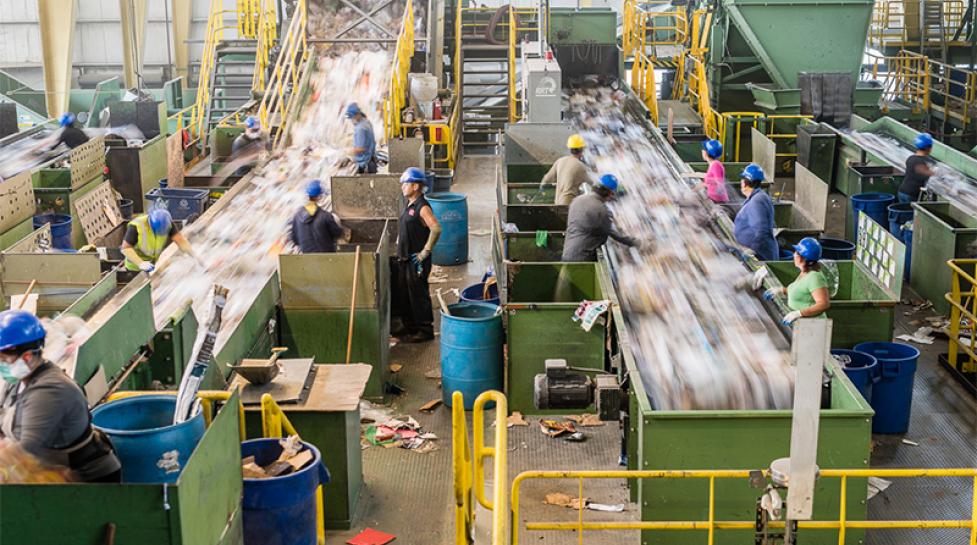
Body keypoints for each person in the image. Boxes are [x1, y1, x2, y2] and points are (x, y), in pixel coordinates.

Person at [0, 310, 121, 482]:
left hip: (83, 483)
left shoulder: (50, 391)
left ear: (26, 357)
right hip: (49, 475)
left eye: (2, 359)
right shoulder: (17, 381)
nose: (1, 365)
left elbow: (27, 451)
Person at [391, 168, 441, 343]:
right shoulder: (409, 203)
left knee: (418, 295)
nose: (403, 187)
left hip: (416, 260)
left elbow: (436, 228)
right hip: (405, 258)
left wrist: (425, 251)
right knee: (406, 294)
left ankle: (425, 330)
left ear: (415, 185)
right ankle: (410, 327)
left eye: (406, 184)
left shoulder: (422, 206)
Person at [562, 174, 637, 262]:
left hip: (567, 252)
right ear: (609, 194)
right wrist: (637, 243)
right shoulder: (600, 209)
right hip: (583, 258)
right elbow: (614, 234)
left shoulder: (577, 200)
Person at [763, 238, 831, 326]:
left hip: (812, 326)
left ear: (802, 258)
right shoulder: (804, 273)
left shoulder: (815, 277)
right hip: (803, 324)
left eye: (796, 252)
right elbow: (800, 291)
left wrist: (799, 313)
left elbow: (823, 304)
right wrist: (781, 290)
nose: (794, 255)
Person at [120, 209, 200, 273]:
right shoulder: (137, 226)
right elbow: (125, 248)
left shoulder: (167, 223)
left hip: (153, 265)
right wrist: (140, 263)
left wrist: (196, 257)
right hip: (135, 268)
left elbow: (181, 241)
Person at [733, 164, 778, 261]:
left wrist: (752, 250)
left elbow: (762, 231)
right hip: (760, 253)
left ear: (745, 183)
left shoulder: (757, 201)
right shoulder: (759, 197)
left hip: (760, 257)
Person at [289, 180, 344, 253]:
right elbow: (338, 233)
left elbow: (294, 239)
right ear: (319, 197)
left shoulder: (297, 216)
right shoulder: (326, 216)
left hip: (306, 260)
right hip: (327, 259)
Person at [540, 134, 593, 205]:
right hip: (568, 202)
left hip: (557, 201)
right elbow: (591, 183)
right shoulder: (580, 166)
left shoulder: (560, 161)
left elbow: (547, 178)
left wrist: (542, 186)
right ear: (582, 150)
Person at [897, 133, 936, 203]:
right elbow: (931, 174)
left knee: (904, 212)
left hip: (902, 191)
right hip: (912, 194)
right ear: (928, 148)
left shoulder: (910, 158)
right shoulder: (926, 162)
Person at [687, 139, 729, 203]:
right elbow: (709, 182)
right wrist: (692, 190)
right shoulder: (712, 164)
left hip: (719, 202)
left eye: (703, 149)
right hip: (714, 200)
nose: (702, 151)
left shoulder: (716, 165)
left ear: (706, 152)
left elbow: (719, 184)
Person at [346, 103, 377, 174]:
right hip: (371, 161)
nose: (351, 119)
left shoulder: (360, 128)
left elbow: (361, 149)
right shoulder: (366, 122)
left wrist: (347, 152)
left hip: (365, 164)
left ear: (357, 115)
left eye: (352, 117)